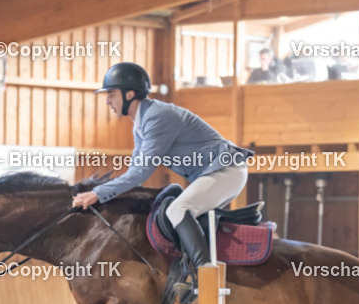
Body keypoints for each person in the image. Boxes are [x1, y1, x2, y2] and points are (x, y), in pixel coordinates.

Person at [71, 62, 253, 272]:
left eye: (111, 94)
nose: (107, 101)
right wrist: (103, 192)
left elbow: (140, 173)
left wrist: (97, 193)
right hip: (219, 172)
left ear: (129, 94)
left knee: (178, 209)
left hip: (227, 170)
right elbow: (134, 171)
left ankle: (206, 274)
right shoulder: (141, 124)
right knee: (179, 210)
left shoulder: (157, 117)